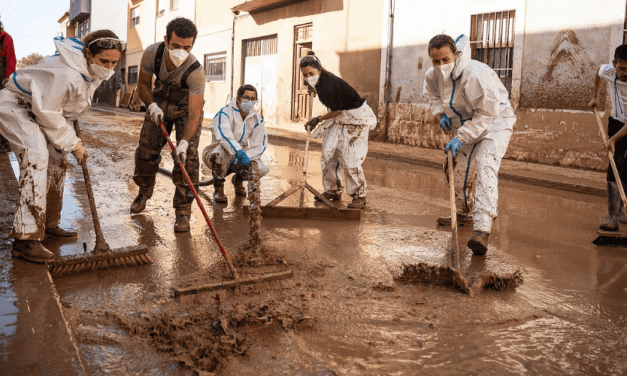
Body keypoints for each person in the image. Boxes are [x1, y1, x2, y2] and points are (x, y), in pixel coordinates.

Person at [0, 31, 125, 263]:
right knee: (35, 155)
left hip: (39, 110)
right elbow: (47, 112)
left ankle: (47, 224)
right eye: (104, 61)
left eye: (114, 62)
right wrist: (73, 143)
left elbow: (66, 106)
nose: (109, 67)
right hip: (16, 106)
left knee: (58, 157)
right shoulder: (68, 73)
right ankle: (25, 238)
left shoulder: (87, 69)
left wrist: (68, 137)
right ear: (89, 53)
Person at [423, 34, 516, 256]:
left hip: (495, 123)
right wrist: (440, 114)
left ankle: (482, 230)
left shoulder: (475, 74)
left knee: (485, 166)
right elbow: (432, 96)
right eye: (436, 61)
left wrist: (460, 137)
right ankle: (463, 212)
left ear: (455, 54)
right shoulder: (432, 76)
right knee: (457, 168)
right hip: (466, 125)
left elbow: (486, 114)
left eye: (445, 59)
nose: (441, 65)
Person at [130, 17, 205, 232]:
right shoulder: (152, 54)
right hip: (159, 100)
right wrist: (151, 105)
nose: (181, 51)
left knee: (187, 159)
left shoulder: (196, 72)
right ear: (166, 40)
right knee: (146, 151)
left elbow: (195, 113)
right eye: (176, 46)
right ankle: (144, 191)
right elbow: (143, 84)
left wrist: (183, 142)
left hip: (184, 107)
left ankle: (183, 211)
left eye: (187, 47)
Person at [300, 52, 377, 209]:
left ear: (319, 70)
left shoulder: (329, 84)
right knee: (329, 154)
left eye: (311, 74)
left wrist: (317, 120)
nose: (308, 77)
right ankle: (333, 190)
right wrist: (312, 88)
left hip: (356, 118)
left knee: (349, 158)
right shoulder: (318, 82)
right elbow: (335, 110)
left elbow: (335, 110)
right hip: (341, 117)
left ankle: (359, 195)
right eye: (305, 75)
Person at [202, 84, 268, 203]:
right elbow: (224, 136)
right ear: (238, 99)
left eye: (253, 99)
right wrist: (238, 152)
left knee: (261, 168)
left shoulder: (256, 119)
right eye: (246, 98)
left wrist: (246, 157)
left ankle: (238, 179)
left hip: (240, 156)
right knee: (221, 152)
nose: (250, 102)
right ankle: (218, 188)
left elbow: (260, 144)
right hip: (217, 155)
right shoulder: (225, 112)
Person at [590, 44, 627, 231]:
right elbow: (598, 71)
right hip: (616, 122)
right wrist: (596, 96)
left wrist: (613, 139)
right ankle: (612, 219)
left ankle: (622, 211)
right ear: (614, 64)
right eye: (622, 68)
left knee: (626, 168)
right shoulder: (608, 70)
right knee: (614, 166)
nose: (625, 73)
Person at [0, 20, 17, 153]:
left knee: (2, 111)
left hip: (1, 81)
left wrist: (8, 78)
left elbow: (10, 59)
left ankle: (4, 143)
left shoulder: (6, 38)